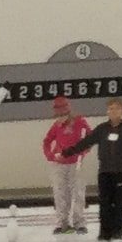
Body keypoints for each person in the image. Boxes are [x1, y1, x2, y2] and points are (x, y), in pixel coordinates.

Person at [84, 100, 122, 241]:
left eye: (116, 109)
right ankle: (105, 232)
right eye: (110, 108)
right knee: (105, 203)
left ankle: (118, 231)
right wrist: (69, 152)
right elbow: (87, 141)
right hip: (105, 172)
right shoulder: (102, 129)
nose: (113, 111)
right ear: (107, 111)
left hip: (121, 172)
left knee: (119, 204)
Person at [41, 98, 91, 232]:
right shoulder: (56, 126)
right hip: (58, 164)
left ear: (68, 112)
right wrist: (50, 156)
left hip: (76, 163)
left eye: (62, 115)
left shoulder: (80, 122)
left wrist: (84, 151)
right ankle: (61, 223)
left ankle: (79, 222)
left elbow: (90, 139)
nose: (59, 118)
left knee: (78, 193)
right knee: (60, 193)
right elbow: (46, 142)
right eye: (57, 115)